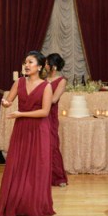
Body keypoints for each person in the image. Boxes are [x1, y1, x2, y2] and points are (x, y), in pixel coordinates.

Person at [0, 51, 55, 216]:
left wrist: (21, 114)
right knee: (17, 167)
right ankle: (16, 205)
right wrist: (5, 103)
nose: (26, 65)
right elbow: (8, 102)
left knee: (36, 168)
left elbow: (45, 112)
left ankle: (33, 206)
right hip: (21, 129)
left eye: (30, 62)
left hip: (39, 130)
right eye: (25, 62)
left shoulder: (46, 86)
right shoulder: (19, 82)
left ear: (39, 67)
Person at [45, 53, 69, 187]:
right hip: (40, 114)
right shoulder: (44, 79)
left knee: (52, 145)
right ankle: (44, 177)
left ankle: (59, 177)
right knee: (42, 145)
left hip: (50, 116)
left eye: (47, 63)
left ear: (53, 66)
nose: (45, 66)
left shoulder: (61, 80)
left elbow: (54, 99)